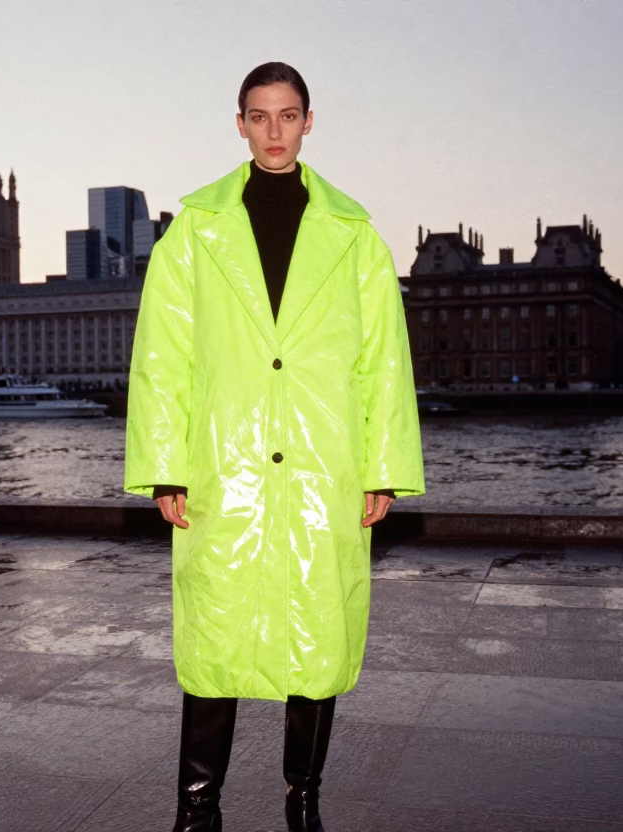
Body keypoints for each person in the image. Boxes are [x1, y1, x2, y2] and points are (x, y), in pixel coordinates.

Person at [123, 61, 425, 832]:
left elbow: (382, 359)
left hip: (325, 460)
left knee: (317, 635)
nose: (274, 132)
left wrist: (384, 466)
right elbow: (163, 354)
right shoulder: (194, 230)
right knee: (213, 638)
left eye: (288, 116)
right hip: (224, 462)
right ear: (240, 124)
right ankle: (197, 806)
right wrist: (165, 466)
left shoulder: (355, 235)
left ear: (310, 121)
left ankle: (303, 798)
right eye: (259, 117)